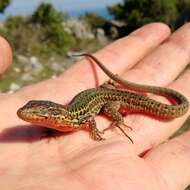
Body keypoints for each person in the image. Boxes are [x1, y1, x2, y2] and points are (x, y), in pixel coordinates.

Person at [0, 22, 189, 190]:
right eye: (35, 112)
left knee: (108, 110)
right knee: (104, 104)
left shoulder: (74, 119)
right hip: (98, 95)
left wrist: (99, 130)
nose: (29, 115)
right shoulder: (62, 119)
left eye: (37, 114)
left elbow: (89, 119)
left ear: (51, 115)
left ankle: (118, 116)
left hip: (107, 98)